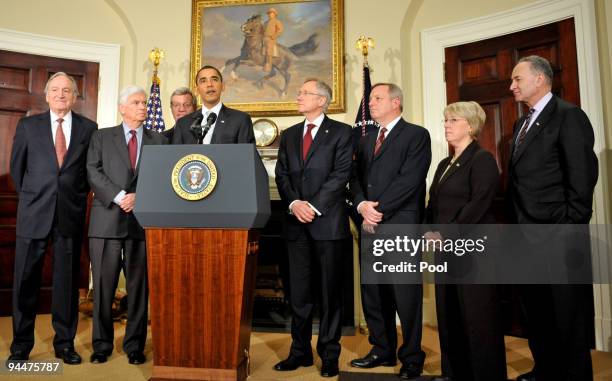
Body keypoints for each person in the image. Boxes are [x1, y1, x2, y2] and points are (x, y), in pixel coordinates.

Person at [507, 55, 598, 381]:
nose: (512, 85)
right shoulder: (521, 123)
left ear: (540, 79)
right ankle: (545, 368)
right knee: (537, 313)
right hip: (525, 236)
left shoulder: (568, 116)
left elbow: (583, 176)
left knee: (567, 316)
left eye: (517, 79)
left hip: (558, 236)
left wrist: (570, 228)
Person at [7, 72, 97, 365]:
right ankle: (21, 346)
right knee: (25, 282)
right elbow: (17, 171)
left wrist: (71, 197)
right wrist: (35, 197)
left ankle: (64, 343)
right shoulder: (28, 126)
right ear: (46, 96)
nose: (60, 95)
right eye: (55, 90)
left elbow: (88, 173)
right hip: (33, 214)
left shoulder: (88, 128)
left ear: (74, 96)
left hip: (69, 216)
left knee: (67, 284)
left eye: (67, 90)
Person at [349, 82, 431, 379]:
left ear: (396, 102)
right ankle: (381, 349)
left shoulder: (416, 135)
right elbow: (354, 179)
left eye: (377, 98)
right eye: (370, 99)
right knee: (373, 292)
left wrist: (377, 210)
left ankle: (411, 357)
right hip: (369, 224)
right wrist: (361, 206)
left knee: (405, 295)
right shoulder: (365, 139)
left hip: (400, 225)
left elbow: (410, 180)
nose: (370, 103)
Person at [273, 79, 352, 378]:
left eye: (304, 93)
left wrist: (314, 206)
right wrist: (294, 204)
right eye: (299, 92)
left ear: (322, 100)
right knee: (299, 294)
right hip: (296, 224)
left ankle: (329, 354)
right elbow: (282, 175)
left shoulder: (343, 133)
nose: (298, 96)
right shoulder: (290, 134)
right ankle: (300, 352)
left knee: (330, 294)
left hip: (328, 224)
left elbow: (341, 174)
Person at [86, 86, 167, 365]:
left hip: (142, 223)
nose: (143, 106)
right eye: (136, 102)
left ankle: (134, 345)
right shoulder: (101, 136)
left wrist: (139, 197)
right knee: (104, 288)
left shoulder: (160, 140)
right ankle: (101, 345)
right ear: (122, 108)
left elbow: (164, 177)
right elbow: (92, 171)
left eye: (145, 102)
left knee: (138, 288)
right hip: (106, 220)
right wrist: (121, 197)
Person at [425, 102, 506, 381]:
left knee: (477, 318)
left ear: (470, 126)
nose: (446, 125)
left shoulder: (482, 160)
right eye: (445, 120)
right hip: (445, 250)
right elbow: (433, 205)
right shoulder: (444, 163)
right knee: (449, 315)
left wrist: (443, 234)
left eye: (453, 120)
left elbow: (478, 205)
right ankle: (453, 372)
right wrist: (428, 231)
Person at [171, 65, 255, 145]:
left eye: (214, 79)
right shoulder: (183, 124)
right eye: (203, 81)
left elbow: (247, 156)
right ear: (197, 90)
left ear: (223, 86)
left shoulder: (240, 120)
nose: (209, 85)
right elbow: (176, 157)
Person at [263, 8, 284, 73]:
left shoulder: (276, 21)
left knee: (269, 51)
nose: (270, 14)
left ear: (274, 14)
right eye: (269, 13)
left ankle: (269, 66)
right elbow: (263, 30)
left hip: (271, 39)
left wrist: (274, 36)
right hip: (264, 38)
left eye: (271, 13)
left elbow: (280, 30)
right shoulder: (265, 22)